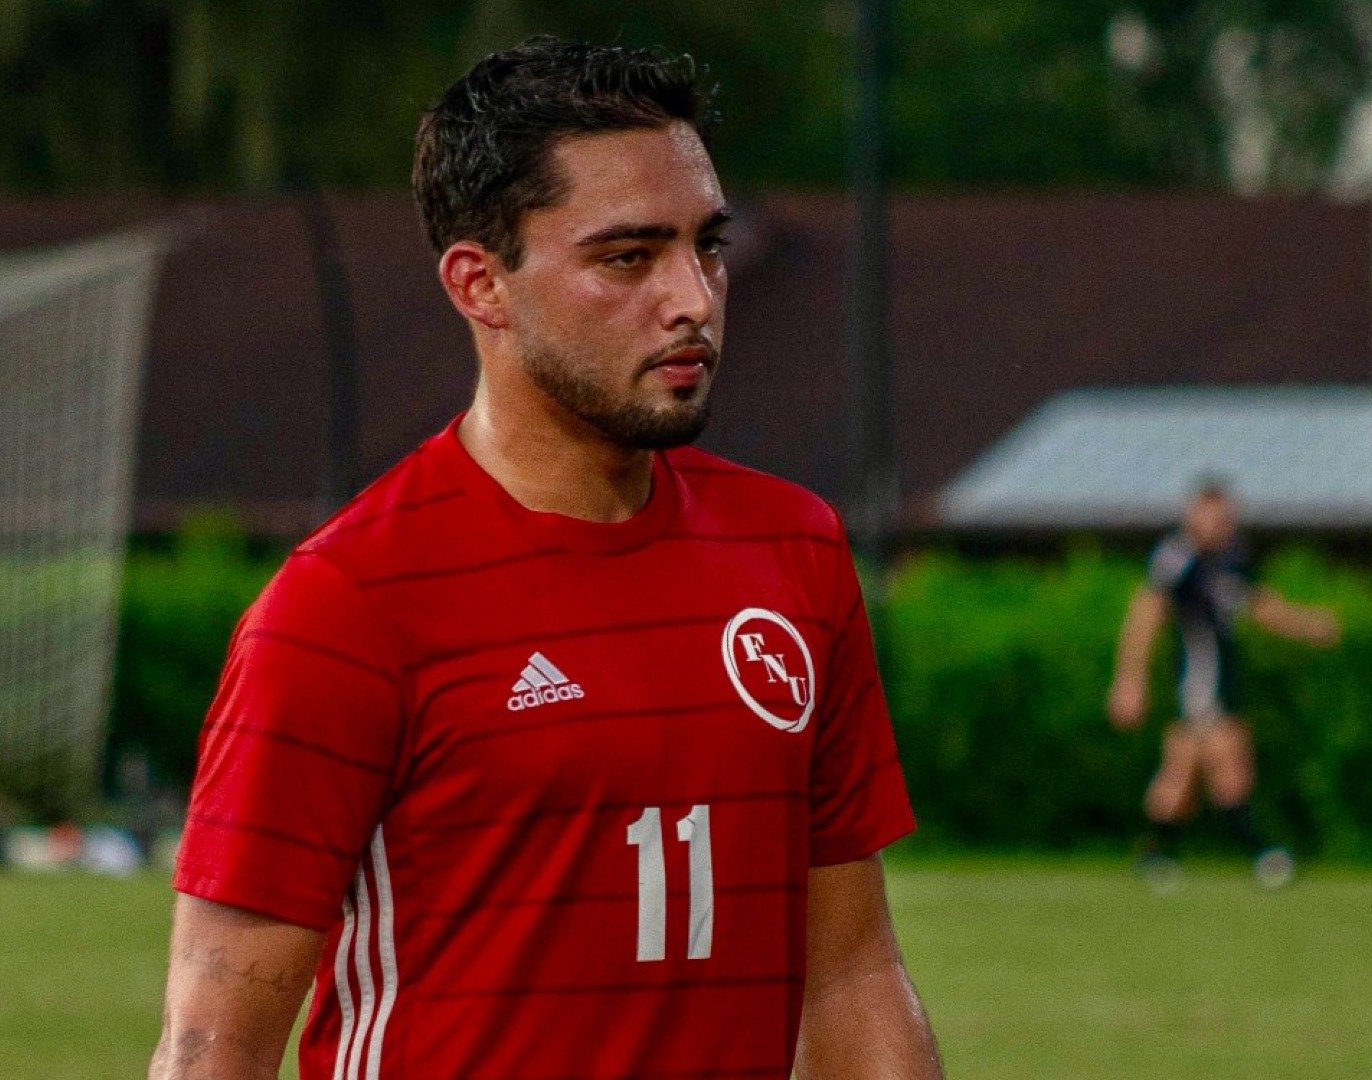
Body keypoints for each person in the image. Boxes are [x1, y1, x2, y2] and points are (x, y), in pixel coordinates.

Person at [149, 38, 943, 1080]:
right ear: (481, 285)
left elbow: (850, 974)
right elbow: (216, 1047)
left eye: (707, 245)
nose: (694, 298)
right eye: (628, 257)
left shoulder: (794, 553)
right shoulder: (346, 607)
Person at [1106, 479, 1340, 891]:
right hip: (1201, 680)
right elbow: (1145, 615)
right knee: (1228, 762)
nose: (1222, 523)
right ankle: (1263, 854)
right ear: (1192, 515)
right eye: (1213, 515)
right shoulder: (1178, 557)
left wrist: (1306, 625)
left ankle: (1156, 854)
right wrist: (1129, 681)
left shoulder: (1230, 560)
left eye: (1227, 516)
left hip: (1221, 679)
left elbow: (1261, 606)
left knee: (1182, 771)